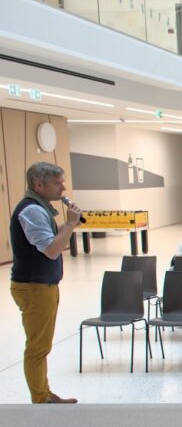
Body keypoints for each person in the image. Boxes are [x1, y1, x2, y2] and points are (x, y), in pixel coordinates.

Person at [10, 162, 81, 404]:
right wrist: (69, 224)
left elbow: (49, 239)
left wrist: (71, 224)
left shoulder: (39, 208)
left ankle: (44, 392)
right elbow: (51, 250)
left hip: (42, 286)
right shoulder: (32, 210)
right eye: (57, 183)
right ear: (39, 185)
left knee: (42, 345)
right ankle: (40, 398)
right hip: (35, 287)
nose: (63, 188)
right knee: (38, 347)